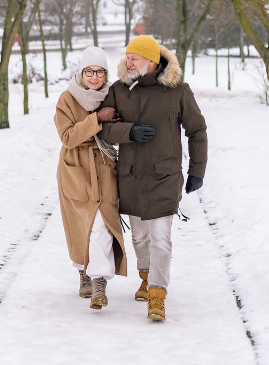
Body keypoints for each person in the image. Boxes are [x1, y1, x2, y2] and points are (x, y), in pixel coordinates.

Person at [97, 35, 207, 321]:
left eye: (134, 57)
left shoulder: (178, 91)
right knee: (140, 238)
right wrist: (128, 132)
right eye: (127, 57)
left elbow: (197, 131)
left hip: (164, 176)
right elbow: (103, 129)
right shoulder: (119, 90)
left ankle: (157, 296)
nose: (127, 62)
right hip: (131, 177)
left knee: (161, 237)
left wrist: (197, 171)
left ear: (152, 61)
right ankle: (145, 278)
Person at [54, 46, 128, 310]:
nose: (94, 77)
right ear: (82, 72)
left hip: (105, 167)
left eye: (100, 72)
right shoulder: (67, 99)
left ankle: (99, 284)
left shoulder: (113, 95)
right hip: (75, 169)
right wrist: (97, 118)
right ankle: (84, 273)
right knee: (80, 225)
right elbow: (68, 137)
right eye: (89, 71)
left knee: (102, 225)